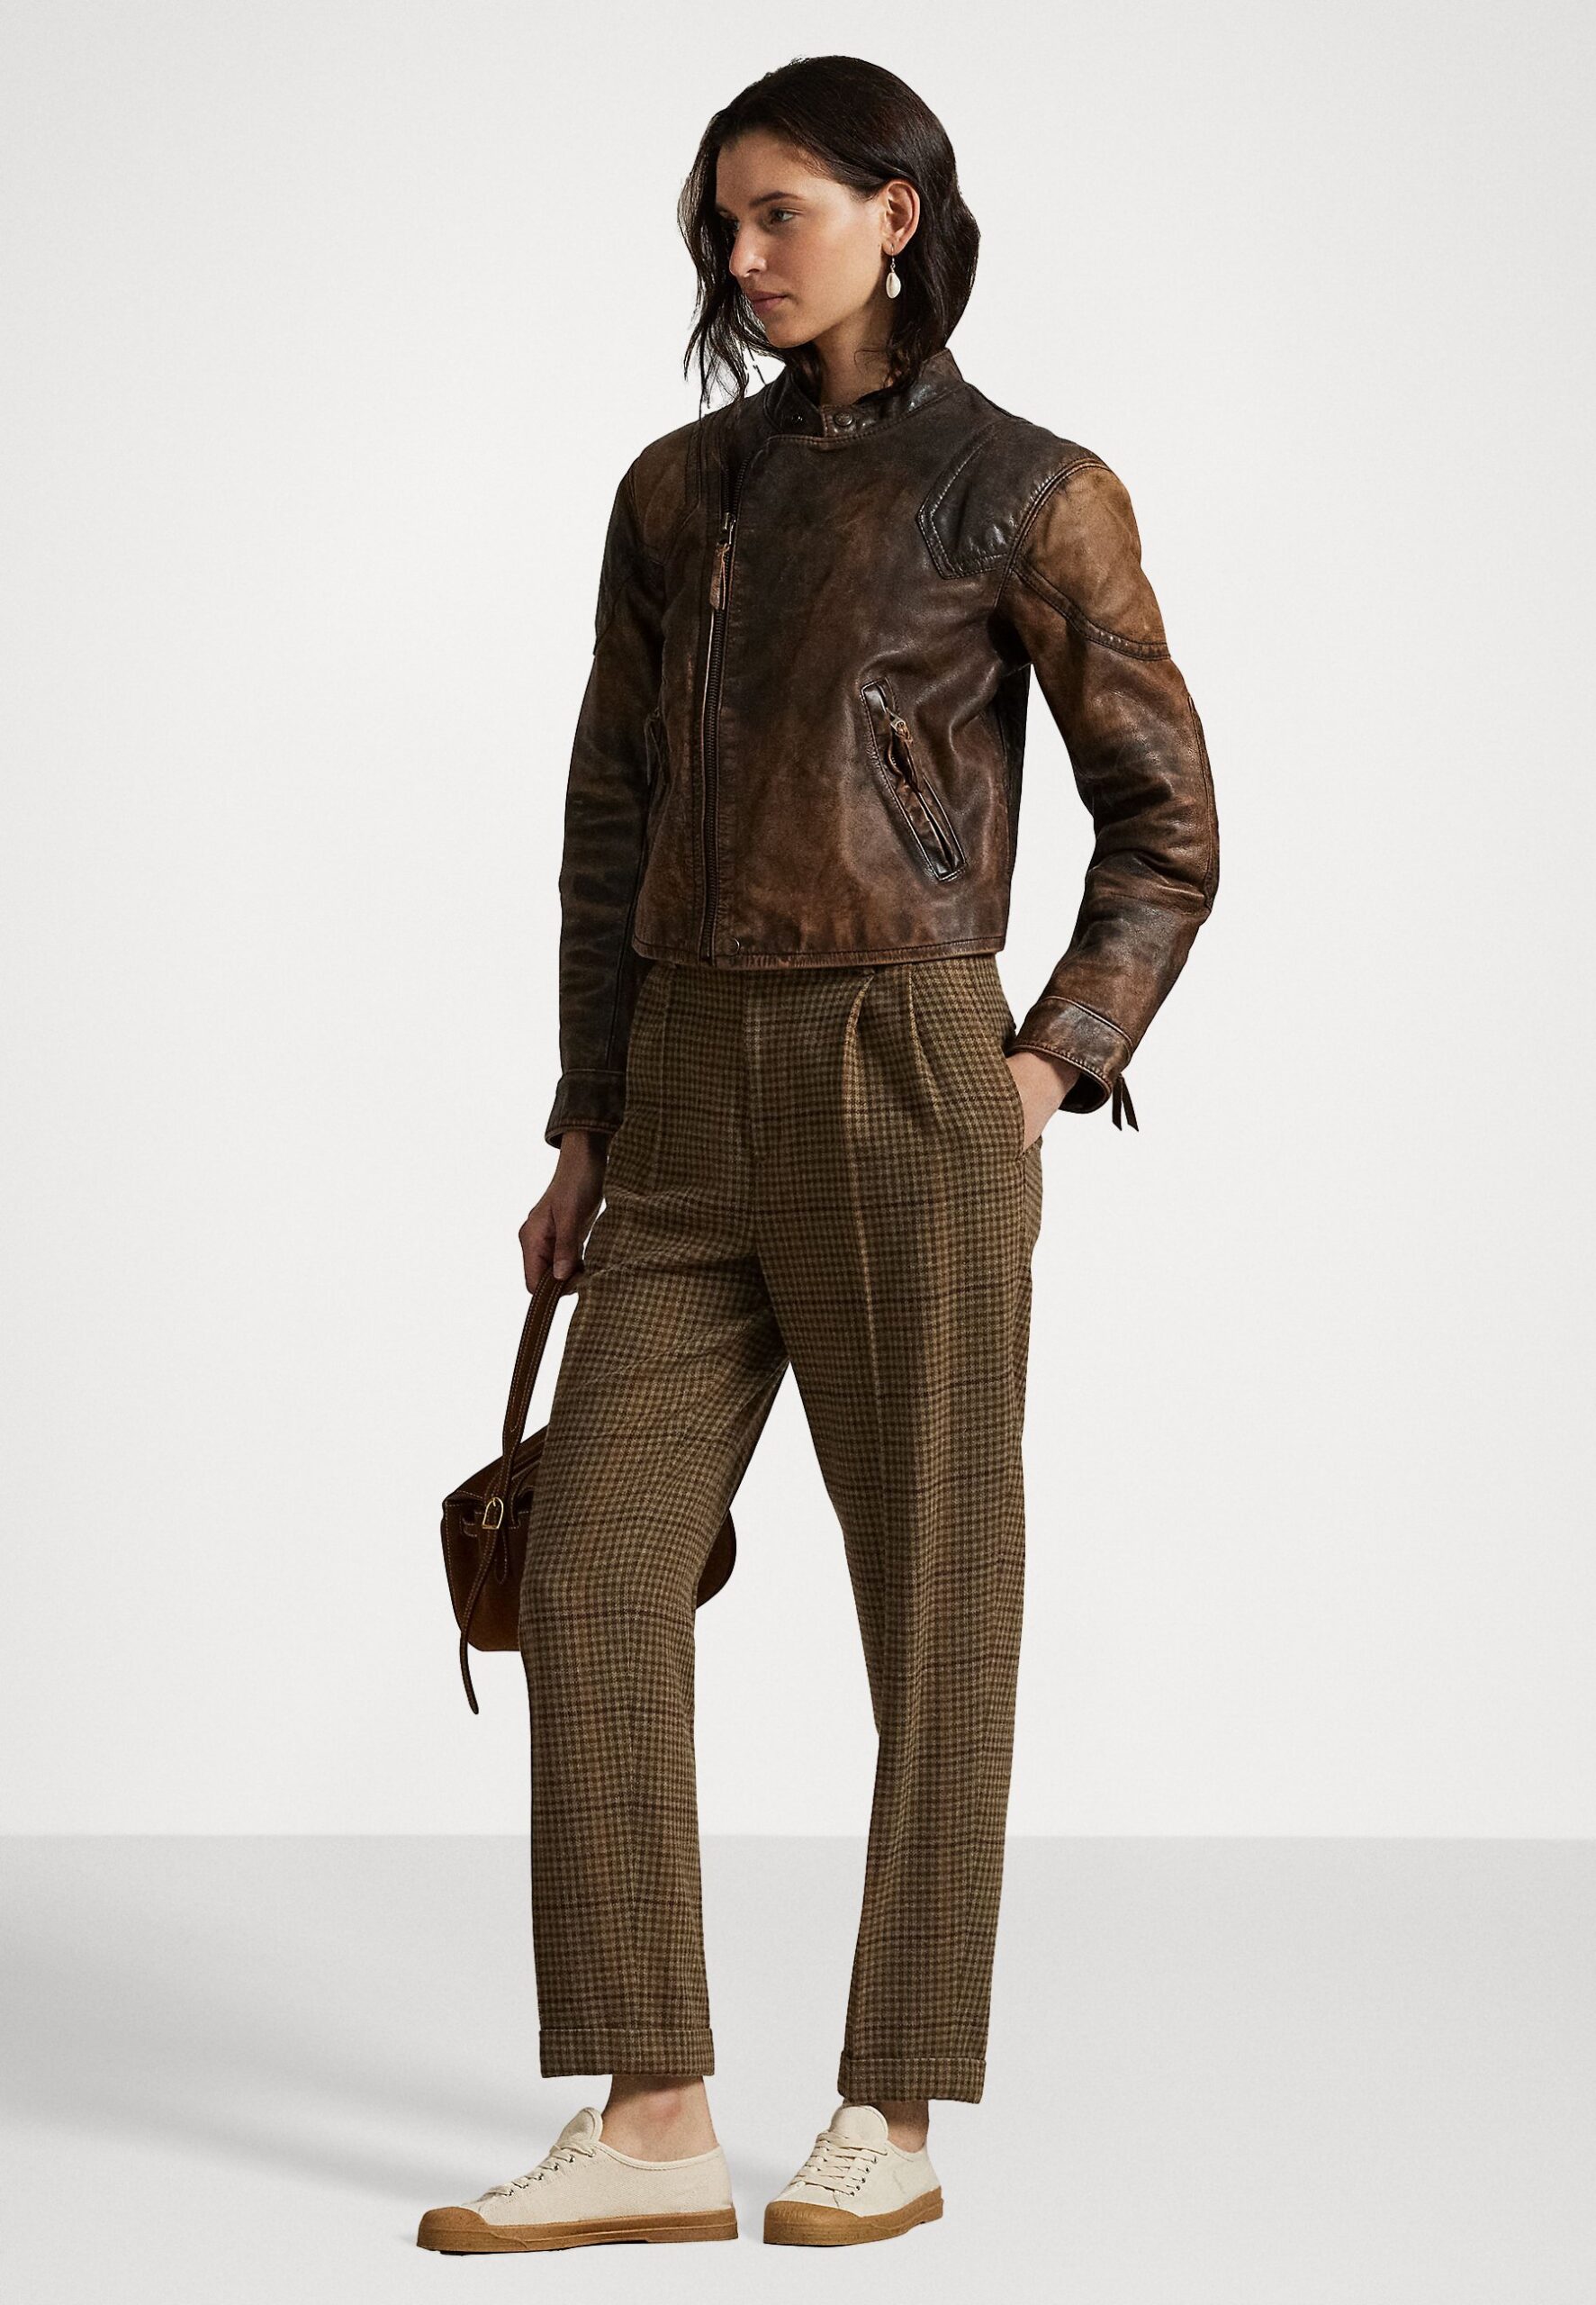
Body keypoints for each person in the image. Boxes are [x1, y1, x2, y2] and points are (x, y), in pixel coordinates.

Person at [418, 51, 1219, 2255]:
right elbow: (607, 823)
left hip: (902, 1063)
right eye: (719, 220)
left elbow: (1162, 818)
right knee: (594, 1567)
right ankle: (652, 2111)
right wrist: (586, 1115)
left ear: (896, 211)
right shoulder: (674, 493)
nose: (739, 253)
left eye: (776, 211)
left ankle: (892, 2099)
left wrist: (1044, 1063)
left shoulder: (1027, 492)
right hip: (682, 1077)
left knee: (930, 1593)